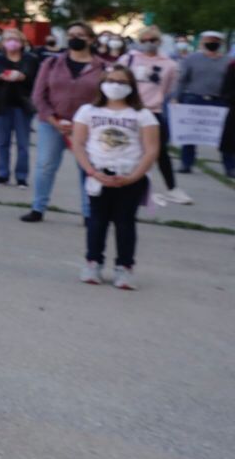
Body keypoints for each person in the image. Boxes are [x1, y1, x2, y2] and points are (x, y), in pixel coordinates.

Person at [71, 65, 161, 289]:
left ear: (131, 86)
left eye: (122, 82)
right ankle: (93, 262)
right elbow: (78, 144)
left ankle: (125, 267)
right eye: (110, 80)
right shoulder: (88, 111)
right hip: (98, 174)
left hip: (130, 175)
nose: (115, 85)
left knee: (125, 222)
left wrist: (134, 177)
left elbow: (151, 149)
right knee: (97, 221)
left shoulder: (142, 114)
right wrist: (91, 171)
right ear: (101, 84)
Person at [21, 20, 104, 224]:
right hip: (51, 123)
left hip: (86, 127)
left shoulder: (102, 67)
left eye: (81, 35)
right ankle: (38, 208)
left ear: (91, 39)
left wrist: (82, 123)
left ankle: (88, 212)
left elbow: (105, 99)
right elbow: (38, 95)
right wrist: (53, 118)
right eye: (71, 34)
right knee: (45, 165)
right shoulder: (51, 63)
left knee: (87, 168)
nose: (75, 38)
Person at [123, 27, 189, 206]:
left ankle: (172, 188)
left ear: (159, 41)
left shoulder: (169, 64)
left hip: (153, 112)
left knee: (160, 152)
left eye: (152, 39)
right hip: (129, 110)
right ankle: (129, 187)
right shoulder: (129, 59)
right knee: (128, 149)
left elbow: (169, 89)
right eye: (144, 40)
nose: (148, 43)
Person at [0, 32, 38, 186]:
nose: (11, 42)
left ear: (22, 42)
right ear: (3, 42)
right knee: (2, 142)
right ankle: (2, 174)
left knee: (23, 144)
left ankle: (21, 176)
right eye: (8, 39)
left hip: (23, 104)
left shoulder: (30, 59)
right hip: (2, 104)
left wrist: (23, 77)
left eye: (15, 39)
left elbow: (36, 82)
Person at [176, 30, 230, 176]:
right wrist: (176, 97)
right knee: (190, 134)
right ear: (202, 42)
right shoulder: (191, 59)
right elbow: (182, 80)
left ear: (221, 44)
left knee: (225, 136)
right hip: (194, 99)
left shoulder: (227, 61)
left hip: (219, 101)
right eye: (209, 40)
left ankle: (230, 167)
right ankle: (186, 163)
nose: (212, 43)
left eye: (215, 40)